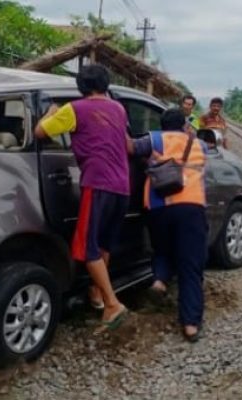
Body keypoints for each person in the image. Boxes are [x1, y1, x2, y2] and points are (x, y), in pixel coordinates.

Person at [34, 64, 129, 334]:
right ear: (106, 83)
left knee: (87, 248)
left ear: (81, 87)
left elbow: (40, 133)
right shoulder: (119, 109)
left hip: (96, 184)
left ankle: (112, 303)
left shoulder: (74, 109)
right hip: (122, 186)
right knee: (103, 246)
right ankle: (97, 295)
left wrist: (49, 113)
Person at [127, 108, 208, 342]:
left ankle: (160, 281)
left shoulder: (154, 139)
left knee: (163, 250)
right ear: (185, 125)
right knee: (190, 266)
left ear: (162, 125)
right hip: (191, 207)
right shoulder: (199, 144)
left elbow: (130, 147)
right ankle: (190, 325)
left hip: (158, 207)